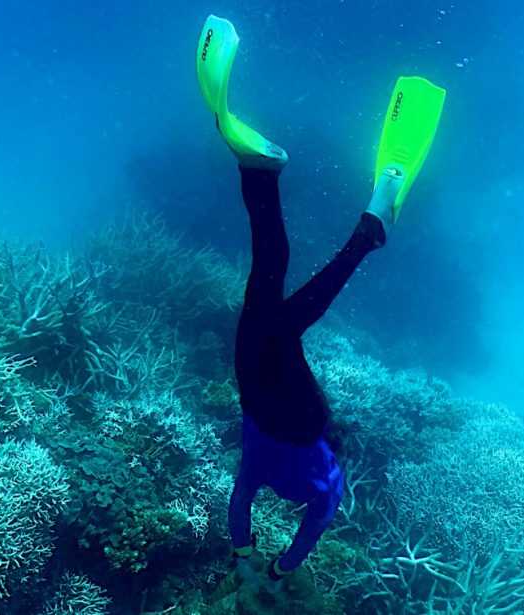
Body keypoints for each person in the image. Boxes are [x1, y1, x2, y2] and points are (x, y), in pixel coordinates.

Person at [195, 15, 445, 590]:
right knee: (268, 289)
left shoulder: (325, 485)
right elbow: (239, 508)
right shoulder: (256, 470)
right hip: (253, 394)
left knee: (285, 322)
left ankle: (366, 232)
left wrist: (281, 568)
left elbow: (315, 527)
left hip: (300, 419)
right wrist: (249, 557)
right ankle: (259, 175)